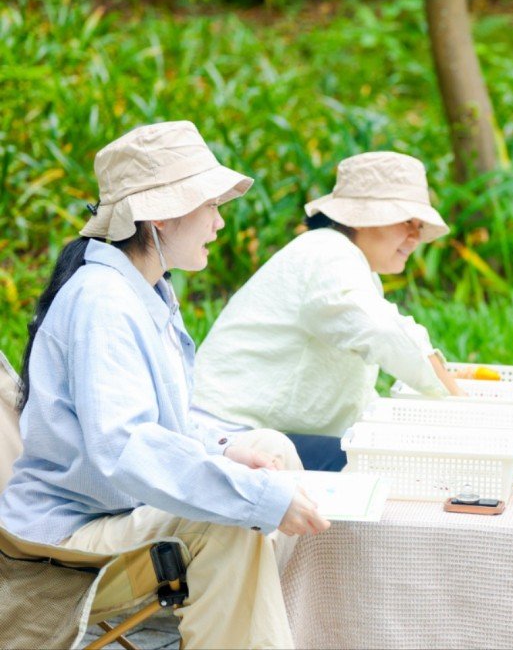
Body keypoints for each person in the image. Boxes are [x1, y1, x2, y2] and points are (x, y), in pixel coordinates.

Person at [0, 121, 329, 649]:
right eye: (211, 205)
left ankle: (280, 630)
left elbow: (162, 423)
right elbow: (127, 446)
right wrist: (253, 494)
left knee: (272, 453)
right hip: (66, 541)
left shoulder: (144, 291)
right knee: (229, 516)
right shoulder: (103, 302)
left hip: (118, 514)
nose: (219, 222)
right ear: (159, 215)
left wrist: (228, 448)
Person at [193, 151, 462, 471]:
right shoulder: (328, 255)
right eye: (406, 221)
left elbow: (357, 390)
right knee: (393, 468)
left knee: (389, 452)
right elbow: (385, 333)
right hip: (230, 439)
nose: (416, 237)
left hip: (259, 432)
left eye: (419, 225)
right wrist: (460, 403)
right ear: (362, 217)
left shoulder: (346, 260)